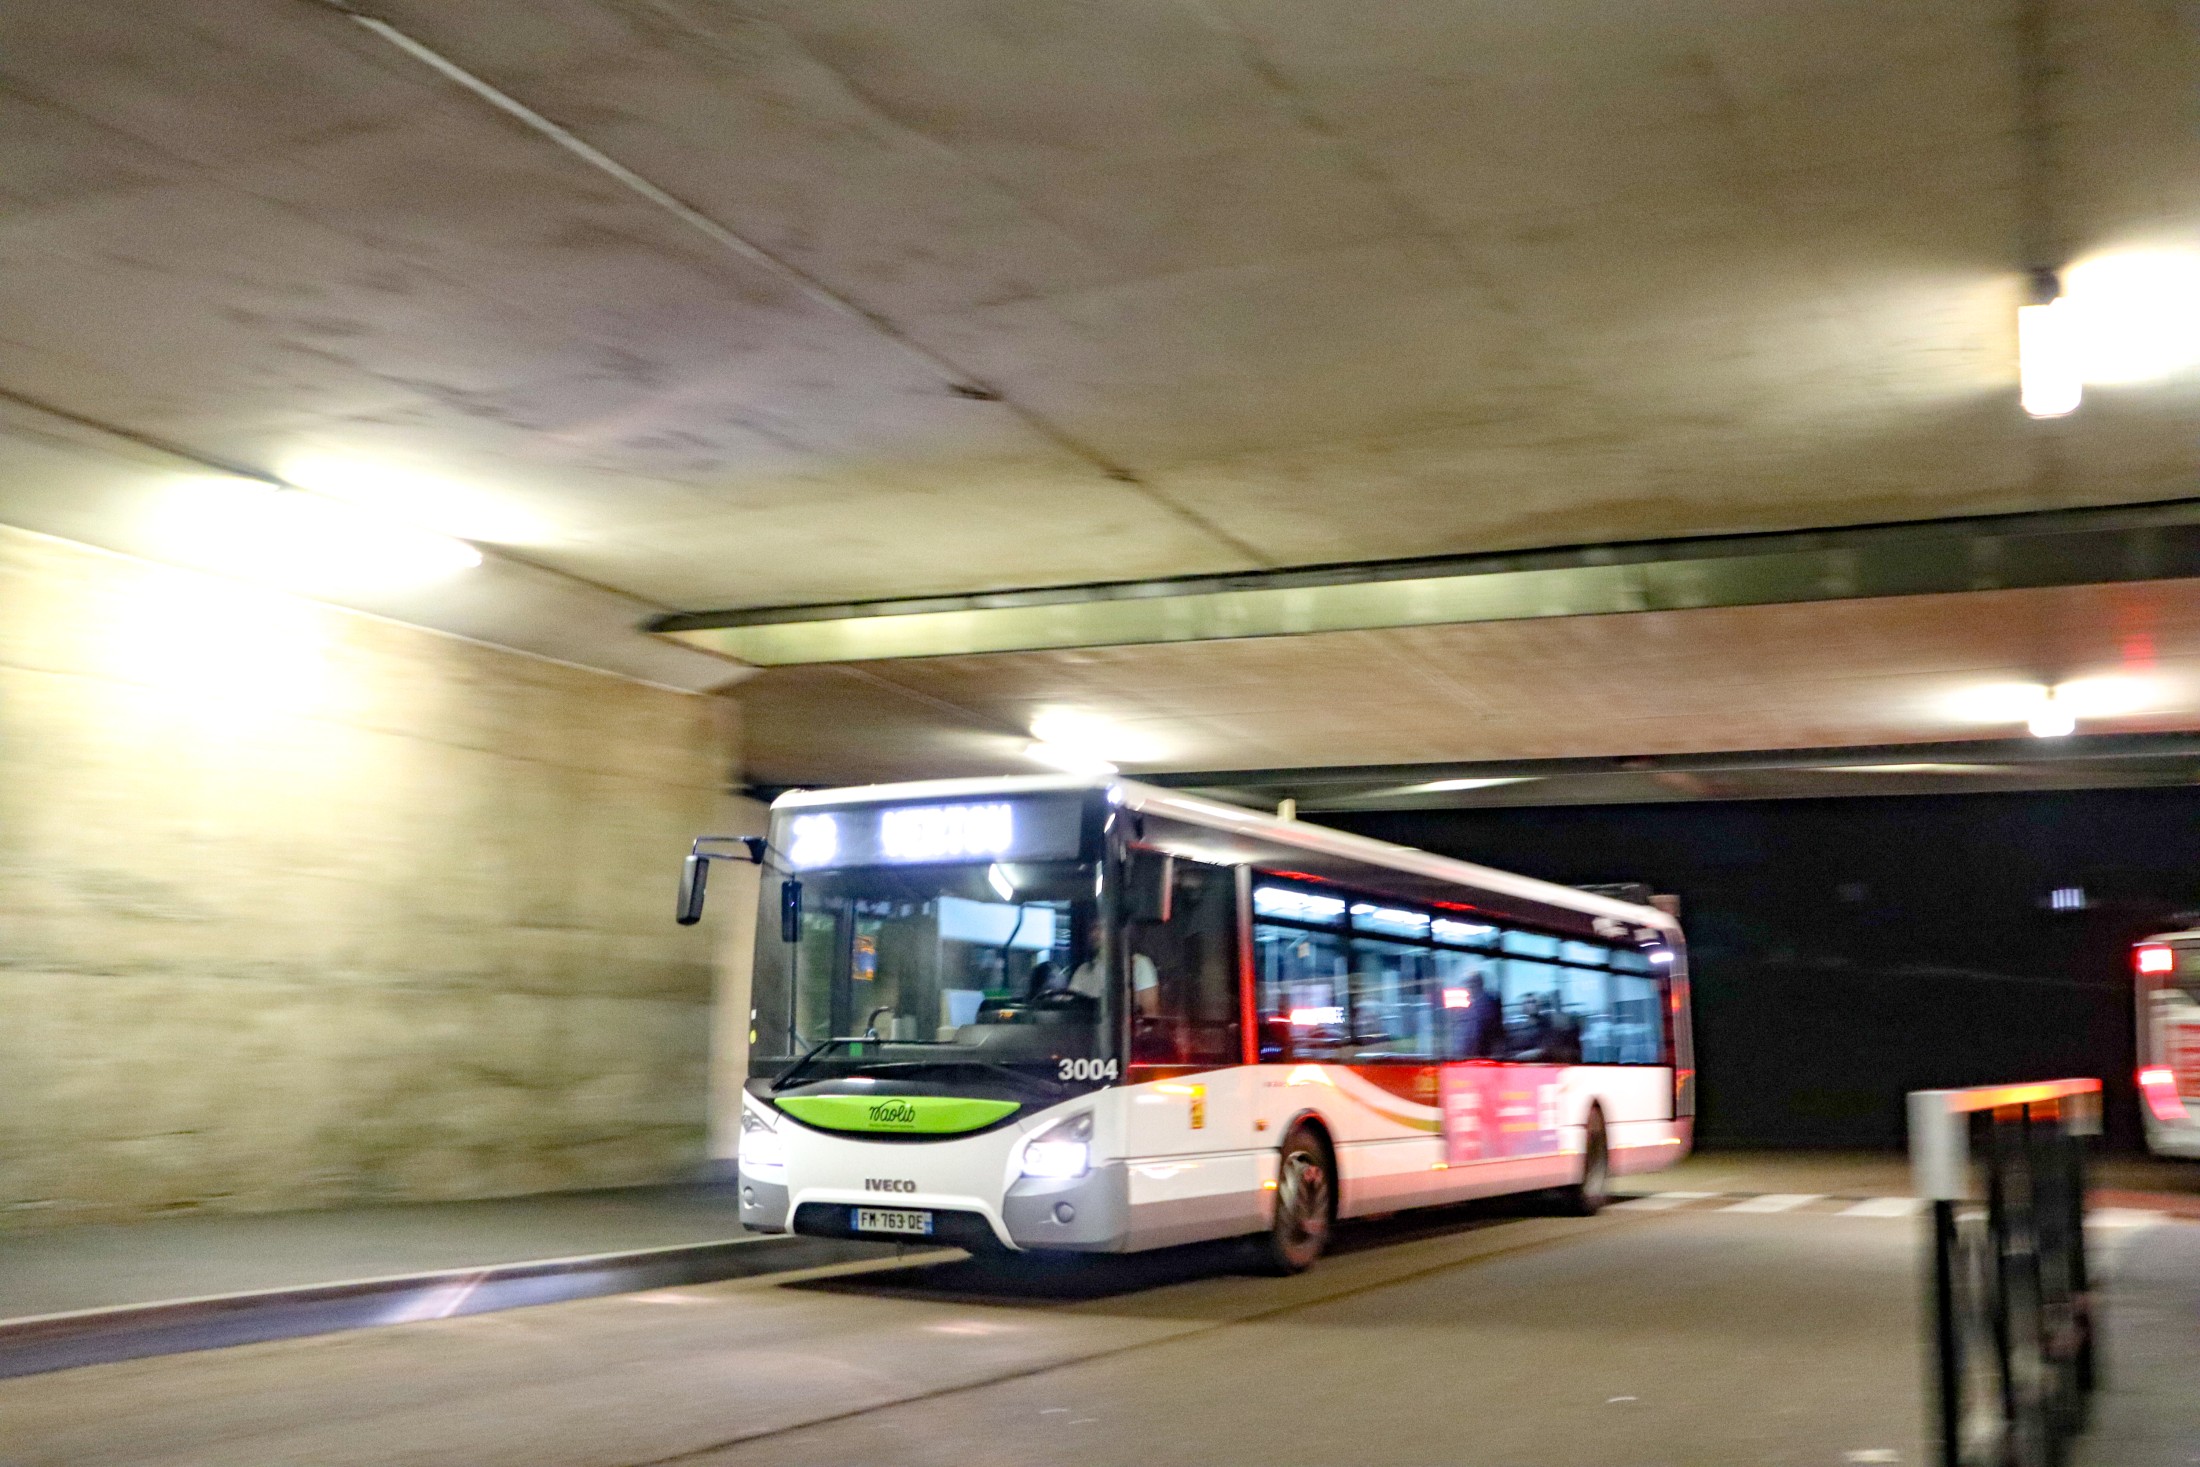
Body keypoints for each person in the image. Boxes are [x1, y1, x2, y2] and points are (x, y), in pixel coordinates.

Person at [1067, 915, 1158, 1013]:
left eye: (1100, 928)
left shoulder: (1139, 965)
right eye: (1092, 929)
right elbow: (1069, 1007)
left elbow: (1149, 1013)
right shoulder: (1083, 971)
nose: (1094, 934)